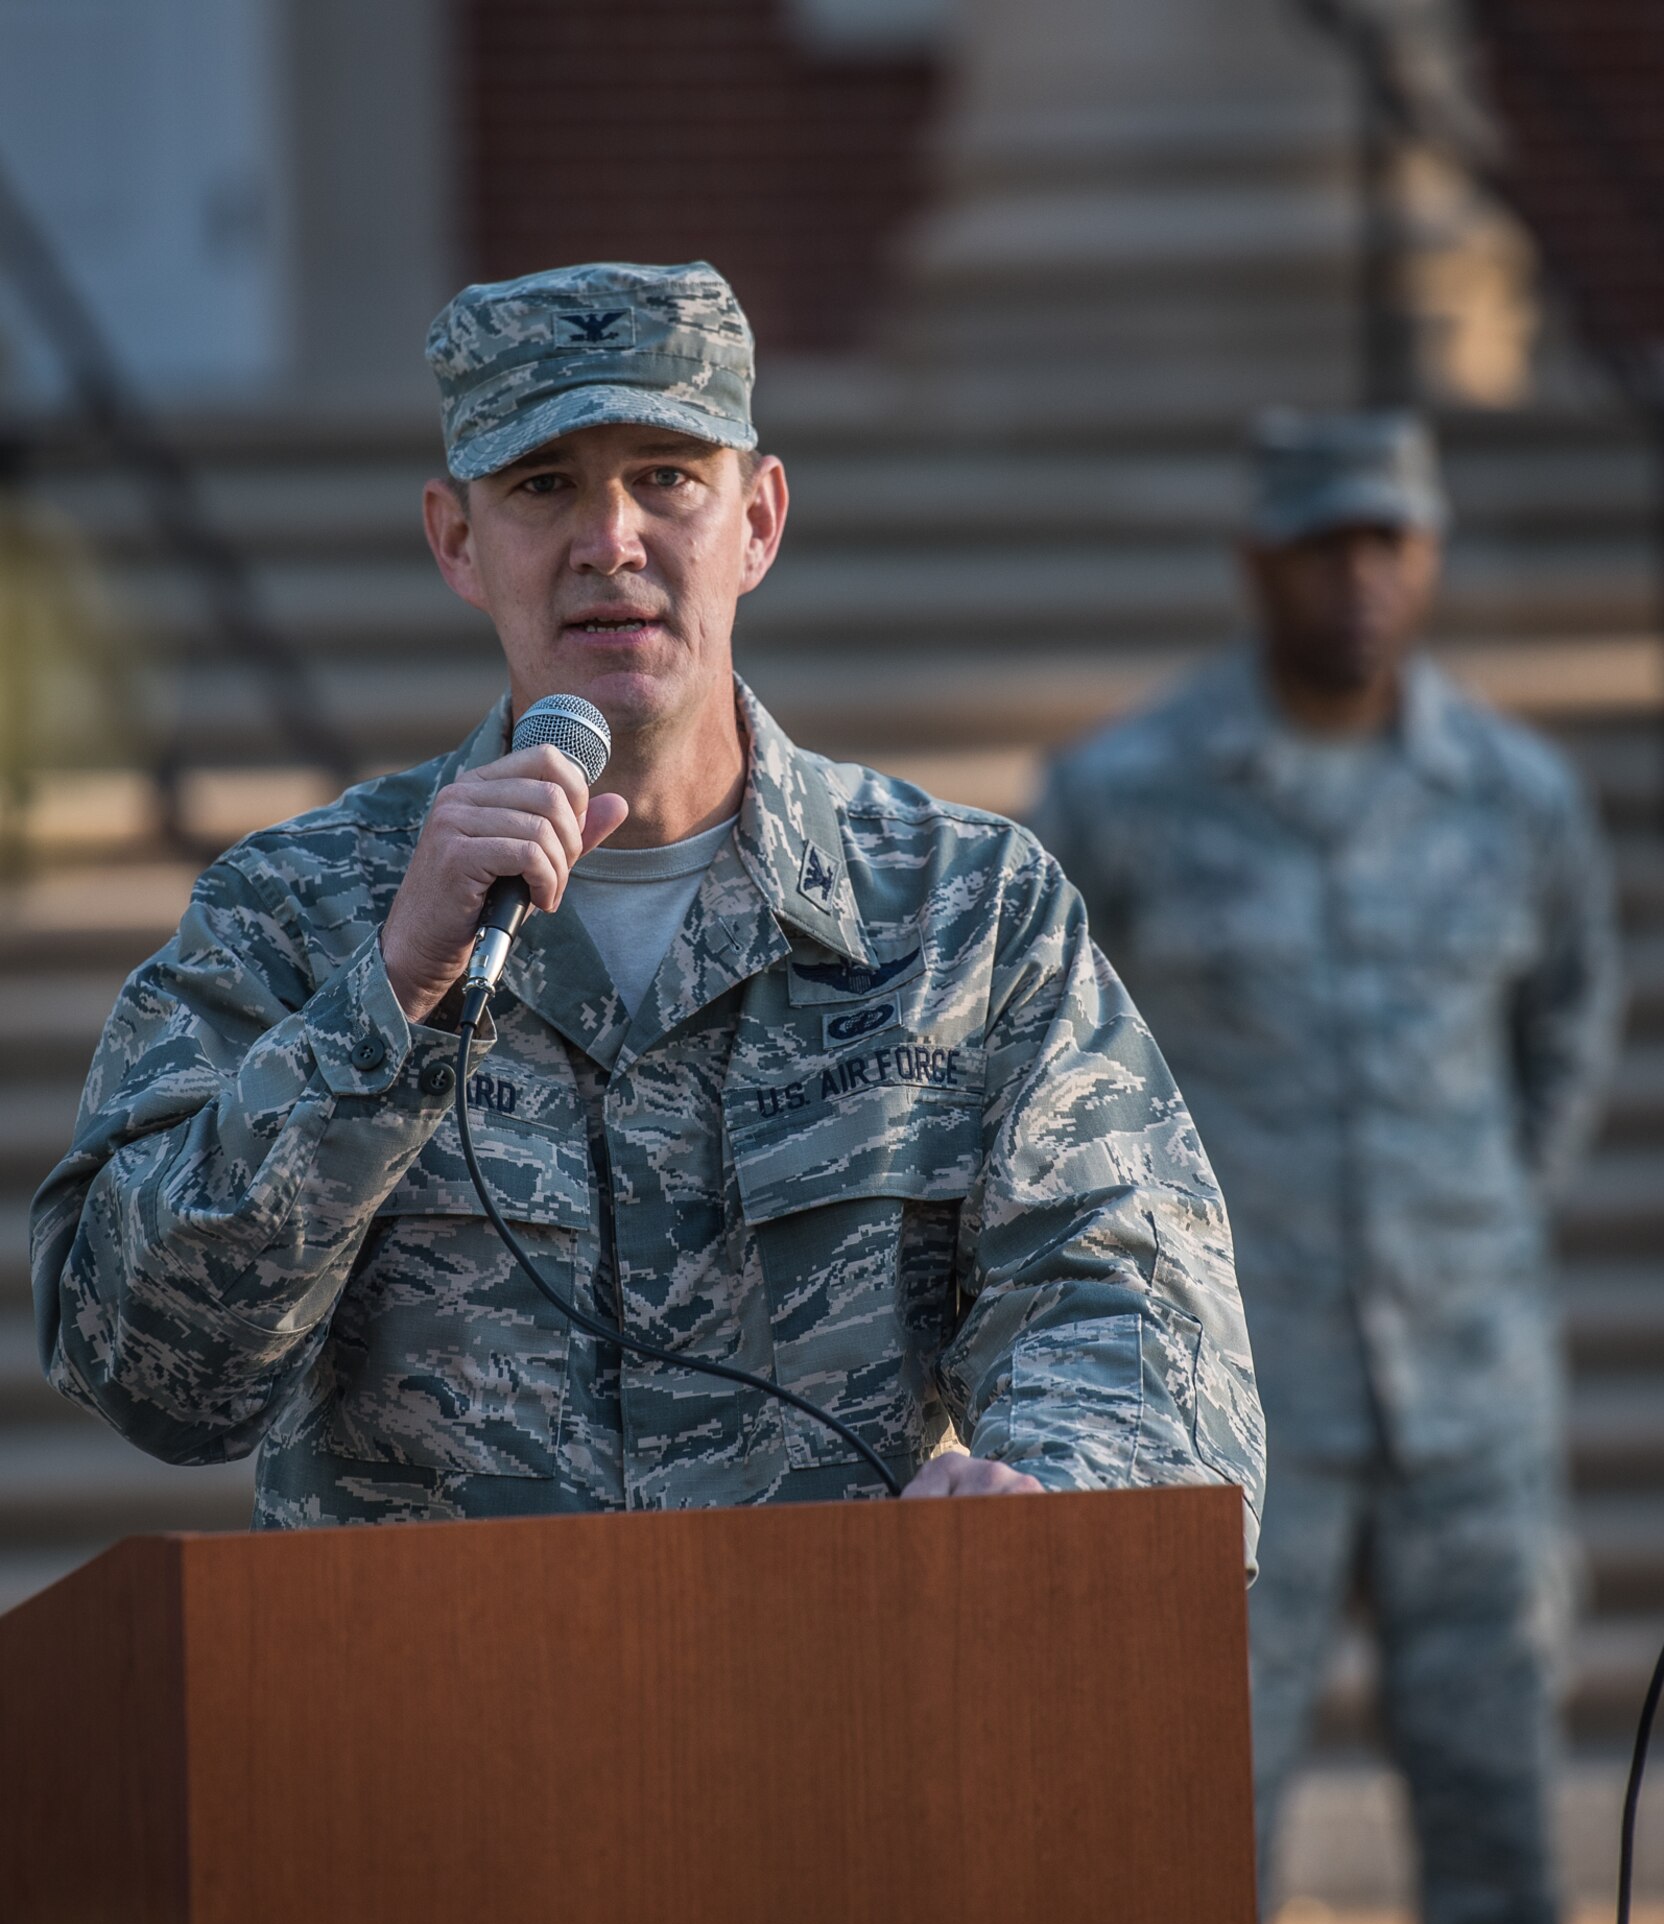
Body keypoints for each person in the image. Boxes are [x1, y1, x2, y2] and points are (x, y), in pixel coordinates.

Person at [31, 261, 1263, 1544]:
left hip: (834, 1664)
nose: (608, 539)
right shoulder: (293, 913)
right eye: (542, 484)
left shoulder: (963, 913)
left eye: (666, 476)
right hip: (425, 1671)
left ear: (758, 522)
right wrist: (386, 998)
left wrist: (1043, 1496)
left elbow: (1123, 1296)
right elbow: (145, 1371)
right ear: (456, 540)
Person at [1032, 408, 1620, 1924]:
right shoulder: (1122, 796)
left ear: (1429, 559)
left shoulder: (1516, 798)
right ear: (1256, 561)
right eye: (1322, 546)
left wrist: (1475, 1217)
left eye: (1389, 544)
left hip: (1470, 1396)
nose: (1359, 579)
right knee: (1201, 1836)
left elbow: (1565, 1032)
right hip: (1229, 1398)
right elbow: (1043, 1067)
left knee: (1500, 1830)